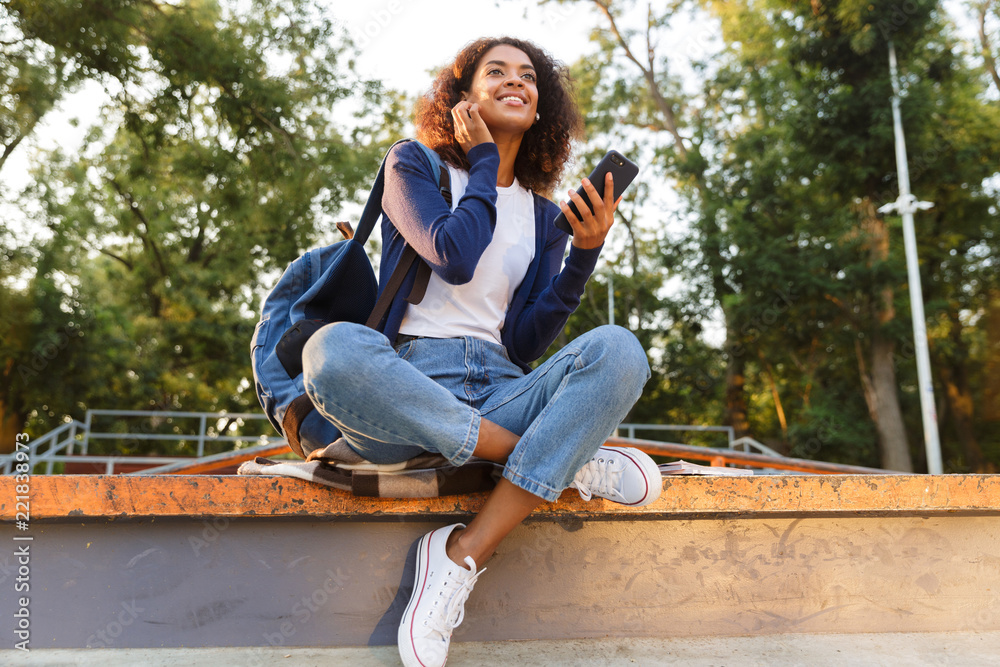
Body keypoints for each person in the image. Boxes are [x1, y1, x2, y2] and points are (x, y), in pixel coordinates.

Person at [300, 36, 661, 667]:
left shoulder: (544, 215)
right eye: (495, 72)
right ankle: (558, 461)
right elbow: (453, 255)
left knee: (620, 351)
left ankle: (462, 554)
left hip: (498, 388)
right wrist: (484, 161)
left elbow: (523, 340)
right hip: (403, 390)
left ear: (542, 107)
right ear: (462, 98)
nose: (515, 81)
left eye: (528, 76)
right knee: (331, 350)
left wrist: (582, 256)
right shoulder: (413, 165)